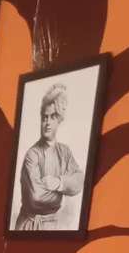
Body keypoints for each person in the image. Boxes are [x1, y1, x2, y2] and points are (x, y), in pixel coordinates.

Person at [14, 82, 84, 231]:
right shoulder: (33, 154)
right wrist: (62, 194)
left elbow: (79, 181)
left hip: (53, 225)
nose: (47, 123)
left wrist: (58, 183)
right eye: (44, 117)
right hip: (30, 225)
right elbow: (36, 197)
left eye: (52, 117)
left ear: (59, 121)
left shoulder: (64, 151)